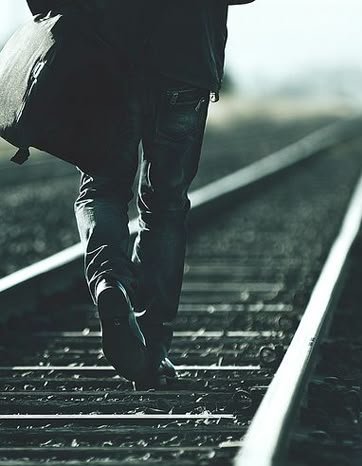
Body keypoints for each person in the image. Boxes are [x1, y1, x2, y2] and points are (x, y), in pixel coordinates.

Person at [70, 0, 255, 388]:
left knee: (101, 188)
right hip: (184, 61)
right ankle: (151, 348)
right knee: (164, 207)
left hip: (103, 60)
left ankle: (109, 281)